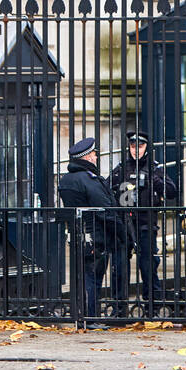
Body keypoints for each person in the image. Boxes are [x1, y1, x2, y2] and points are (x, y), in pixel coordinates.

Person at [57, 137, 130, 321]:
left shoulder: (66, 180)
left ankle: (81, 314)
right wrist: (123, 235)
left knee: (82, 278)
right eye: (94, 154)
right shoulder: (89, 180)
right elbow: (106, 212)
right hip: (96, 237)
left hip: (78, 235)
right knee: (93, 280)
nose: (97, 157)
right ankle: (90, 317)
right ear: (88, 157)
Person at [110, 130, 178, 312]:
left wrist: (154, 180)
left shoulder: (154, 168)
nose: (136, 150)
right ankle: (119, 306)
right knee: (120, 266)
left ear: (146, 147)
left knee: (148, 266)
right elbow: (108, 190)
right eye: (133, 146)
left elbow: (172, 191)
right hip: (124, 224)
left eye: (140, 146)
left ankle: (152, 305)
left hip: (146, 223)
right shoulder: (122, 168)